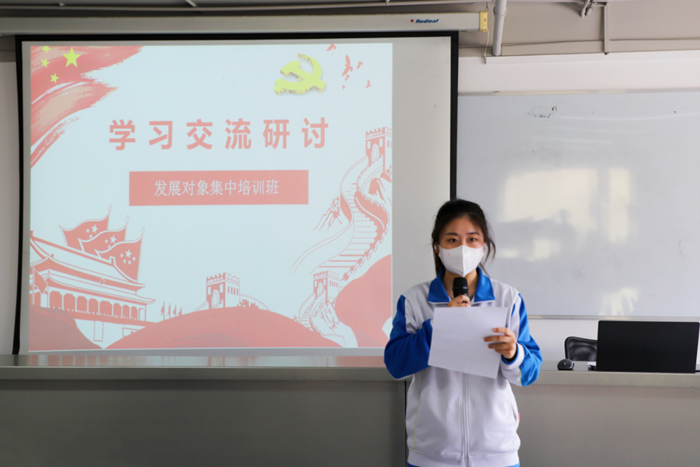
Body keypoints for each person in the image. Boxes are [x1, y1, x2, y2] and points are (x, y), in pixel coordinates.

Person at [384, 199, 542, 467]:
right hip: (432, 453)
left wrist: (514, 353)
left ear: (484, 246)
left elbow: (529, 373)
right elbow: (396, 365)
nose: (462, 249)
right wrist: (438, 326)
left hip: (496, 453)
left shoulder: (508, 298)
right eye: (452, 240)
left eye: (472, 239)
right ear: (437, 247)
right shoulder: (414, 300)